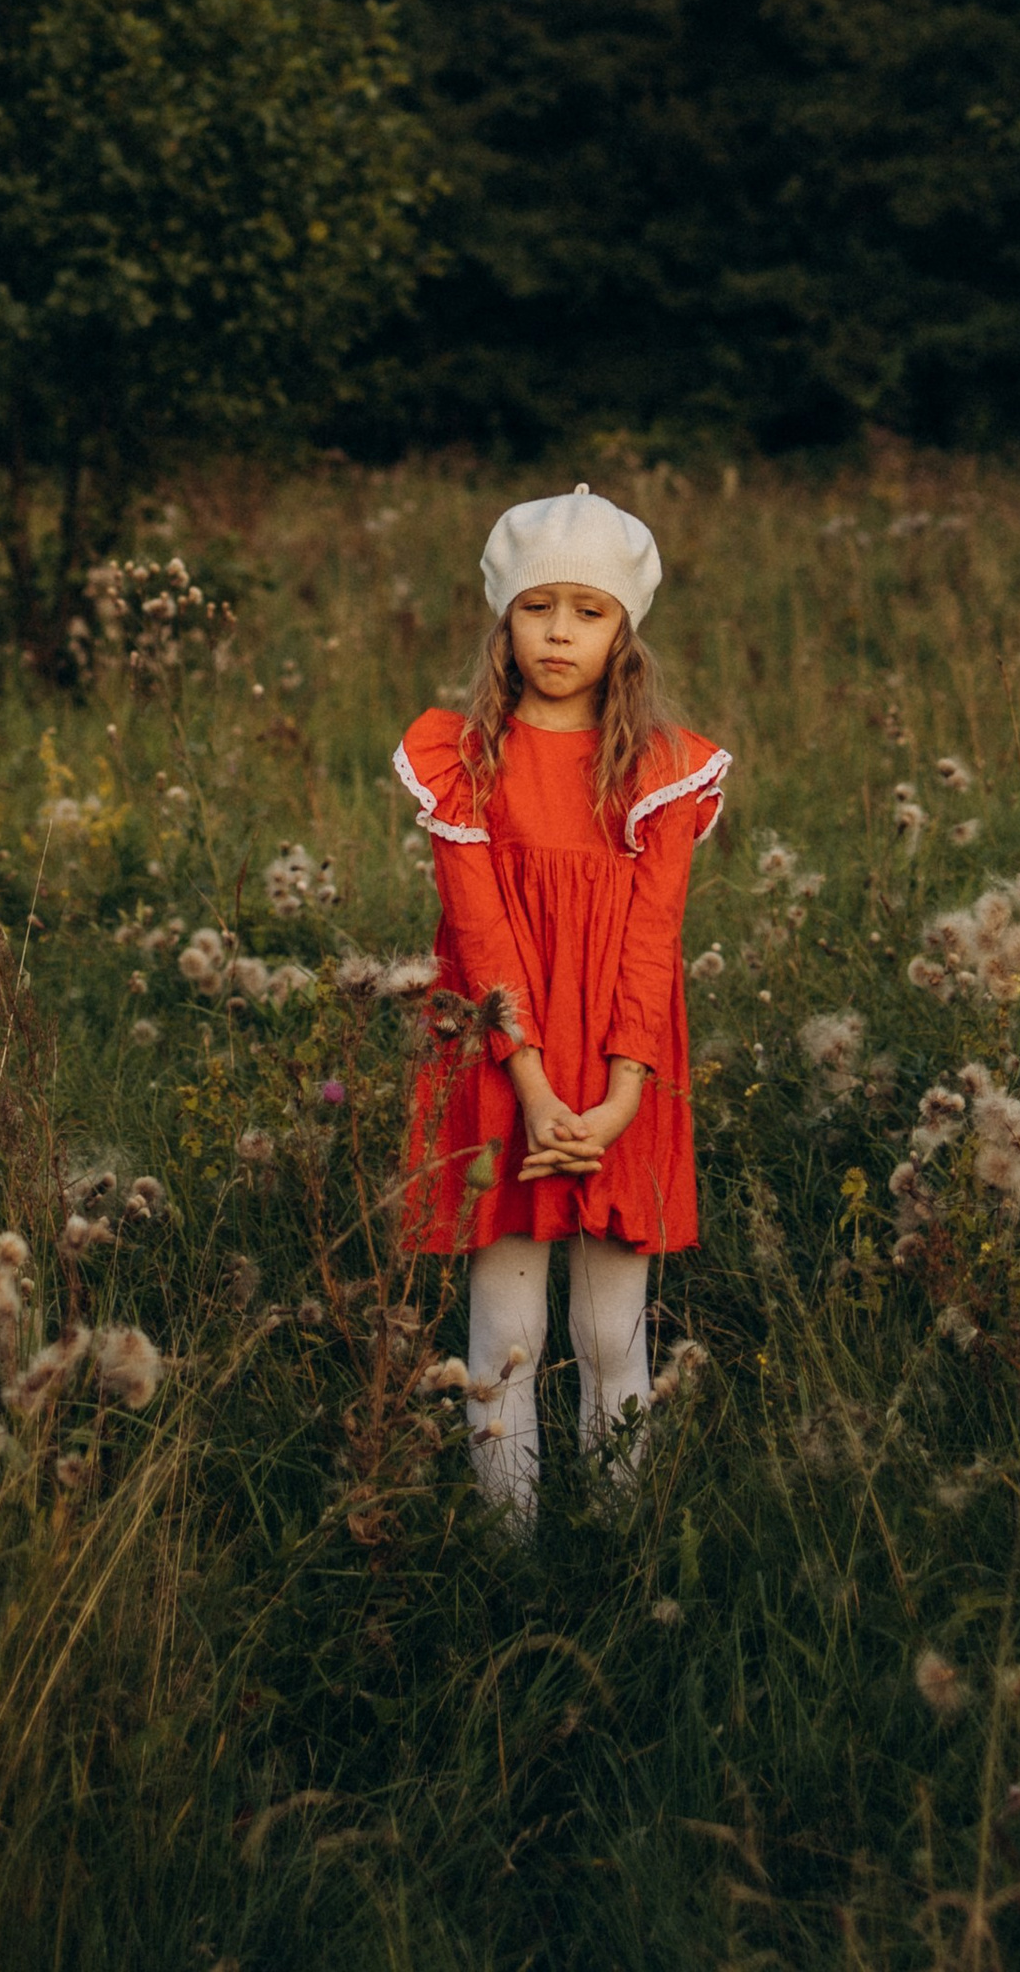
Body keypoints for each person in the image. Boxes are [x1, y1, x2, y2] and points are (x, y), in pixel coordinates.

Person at [394, 483, 727, 1517]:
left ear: (623, 629)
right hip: (507, 1072)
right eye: (539, 608)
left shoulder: (660, 772)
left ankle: (621, 1546)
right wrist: (531, 1088)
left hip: (620, 1068)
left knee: (609, 1334)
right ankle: (509, 1555)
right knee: (507, 1332)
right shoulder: (464, 761)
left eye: (588, 612)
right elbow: (482, 936)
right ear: (505, 617)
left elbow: (648, 941)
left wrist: (621, 1097)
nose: (559, 633)